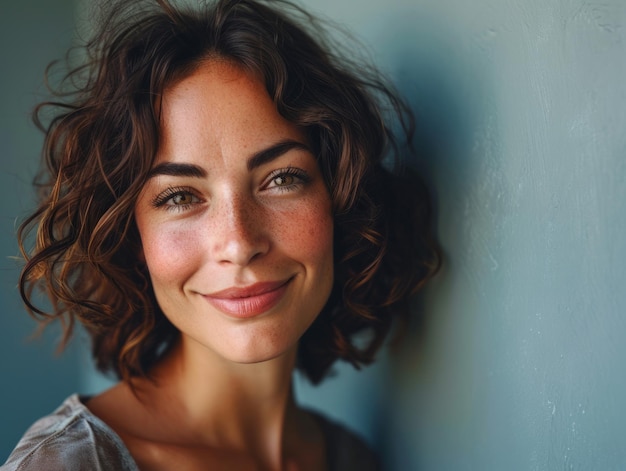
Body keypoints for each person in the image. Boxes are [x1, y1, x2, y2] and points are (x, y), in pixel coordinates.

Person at [2, 0, 439, 469]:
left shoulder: (351, 459)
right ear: (132, 236)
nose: (238, 243)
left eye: (282, 178)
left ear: (341, 199)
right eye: (180, 197)